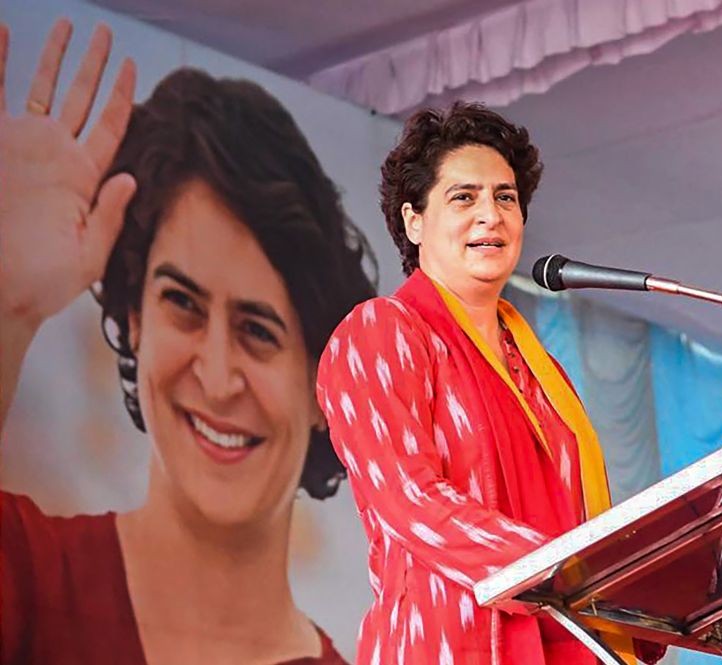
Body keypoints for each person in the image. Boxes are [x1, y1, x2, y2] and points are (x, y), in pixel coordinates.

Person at [0, 20, 374, 664]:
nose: (218, 375)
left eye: (259, 332)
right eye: (183, 305)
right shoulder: (26, 573)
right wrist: (8, 309)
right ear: (135, 321)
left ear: (322, 390)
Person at [317, 103, 664, 664]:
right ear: (413, 221)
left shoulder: (541, 371)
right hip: (450, 644)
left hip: (567, 641)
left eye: (506, 198)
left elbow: (579, 517)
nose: (491, 215)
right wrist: (571, 572)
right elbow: (411, 500)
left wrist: (637, 581)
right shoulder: (381, 331)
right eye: (464, 197)